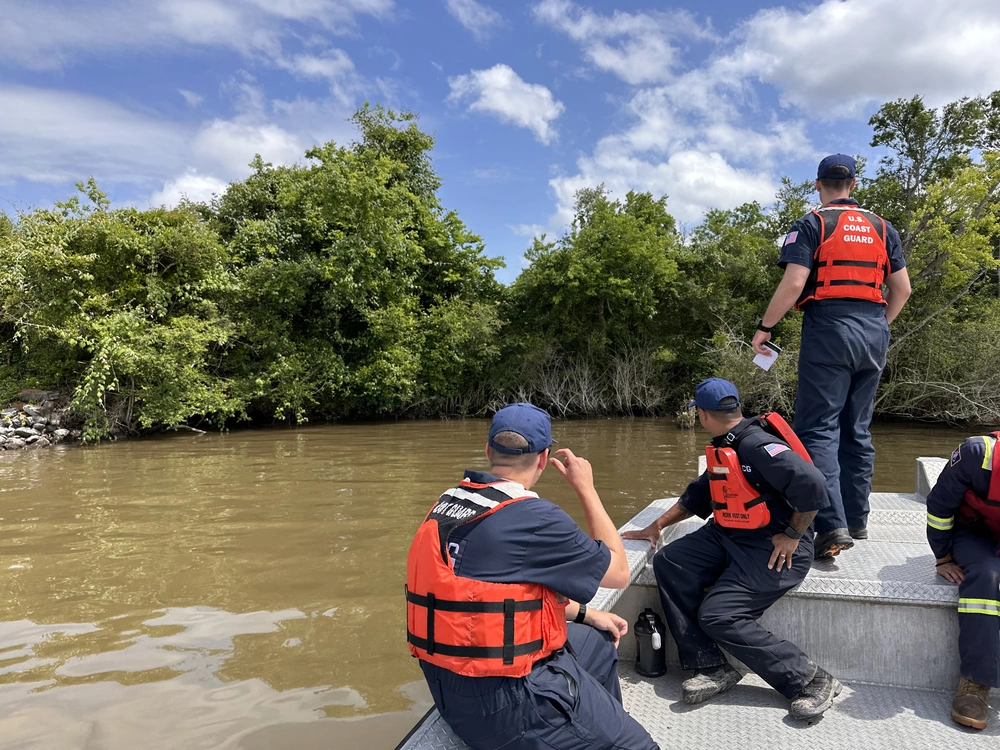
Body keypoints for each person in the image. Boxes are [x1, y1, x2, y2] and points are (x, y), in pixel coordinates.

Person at [406, 402, 659, 750]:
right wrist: (585, 487)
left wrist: (587, 613)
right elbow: (618, 571)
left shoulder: (448, 504)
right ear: (543, 459)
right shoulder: (535, 518)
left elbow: (484, 603)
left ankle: (591, 730)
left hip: (451, 691)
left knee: (596, 645)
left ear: (488, 451)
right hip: (510, 708)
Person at [623, 378, 840, 720]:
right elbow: (699, 494)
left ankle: (809, 679)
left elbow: (812, 483)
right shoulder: (728, 445)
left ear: (703, 415)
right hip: (729, 535)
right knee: (671, 561)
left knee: (718, 614)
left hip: (773, 547)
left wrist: (794, 535)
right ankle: (710, 666)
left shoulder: (756, 444)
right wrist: (657, 527)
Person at [752, 154, 912, 559]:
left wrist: (766, 328)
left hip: (829, 327)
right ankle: (857, 518)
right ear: (853, 185)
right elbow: (903, 289)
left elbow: (794, 282)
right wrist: (880, 326)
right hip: (875, 328)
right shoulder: (882, 227)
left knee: (819, 428)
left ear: (819, 184)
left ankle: (830, 526)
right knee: (857, 429)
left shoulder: (812, 223)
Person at [925, 432, 1000, 730]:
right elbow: (940, 508)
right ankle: (975, 681)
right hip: (974, 533)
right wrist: (943, 557)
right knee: (986, 576)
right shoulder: (976, 453)